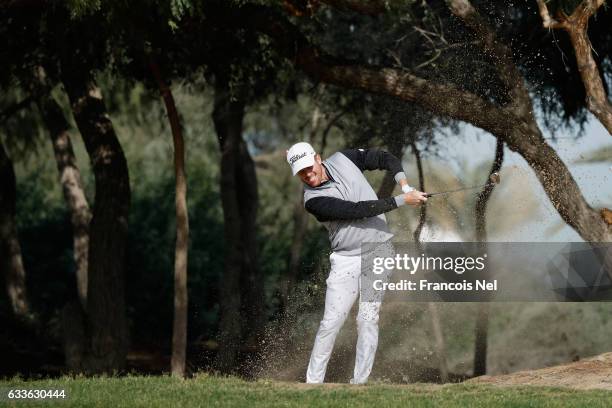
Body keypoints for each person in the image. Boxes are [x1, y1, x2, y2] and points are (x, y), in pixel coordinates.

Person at [286, 141, 427, 384]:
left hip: (379, 250)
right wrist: (403, 200)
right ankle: (313, 384)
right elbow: (356, 210)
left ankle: (359, 384)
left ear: (318, 158)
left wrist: (404, 184)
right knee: (332, 322)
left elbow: (385, 158)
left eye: (309, 167)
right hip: (346, 259)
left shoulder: (344, 159)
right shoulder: (313, 200)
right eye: (301, 172)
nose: (308, 175)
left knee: (367, 317)